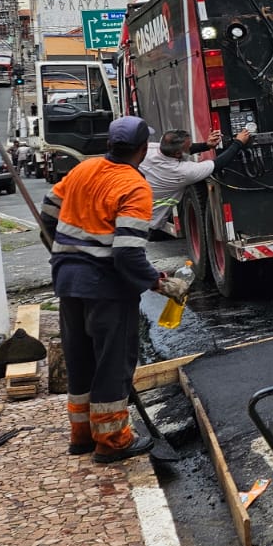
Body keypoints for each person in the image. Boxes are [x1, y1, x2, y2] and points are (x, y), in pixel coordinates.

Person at [38, 117, 172, 464]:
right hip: (107, 289)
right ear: (142, 150)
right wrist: (156, 280)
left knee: (81, 361)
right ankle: (112, 441)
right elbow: (127, 253)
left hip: (68, 282)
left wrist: (63, 249)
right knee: (112, 363)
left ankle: (82, 436)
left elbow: (48, 212)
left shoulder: (84, 169)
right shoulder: (135, 187)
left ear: (111, 144)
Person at [139, 127, 252, 234]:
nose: (190, 147)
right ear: (177, 154)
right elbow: (217, 164)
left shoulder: (148, 150)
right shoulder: (181, 172)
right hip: (144, 225)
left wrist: (206, 145)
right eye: (189, 147)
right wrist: (238, 143)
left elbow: (184, 151)